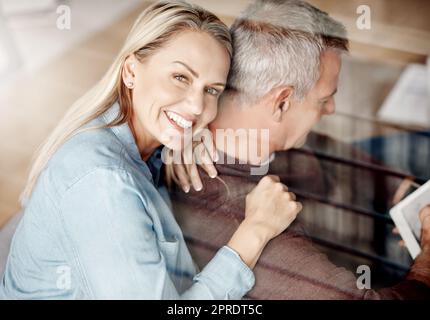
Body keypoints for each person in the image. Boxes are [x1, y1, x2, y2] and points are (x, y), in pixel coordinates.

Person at [0, 1, 302, 299]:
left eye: (211, 90)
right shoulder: (104, 184)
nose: (197, 106)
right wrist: (255, 231)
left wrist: (178, 142)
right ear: (131, 71)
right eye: (180, 77)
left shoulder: (125, 131)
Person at [169, 0, 430, 299]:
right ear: (281, 102)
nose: (331, 109)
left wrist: (402, 191)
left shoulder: (252, 126)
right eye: (324, 100)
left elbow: (323, 146)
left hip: (362, 209)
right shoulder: (249, 228)